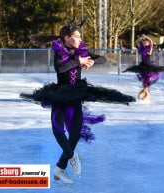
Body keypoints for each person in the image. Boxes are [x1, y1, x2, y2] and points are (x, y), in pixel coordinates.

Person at [20, 18, 135, 184]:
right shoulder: (59, 51)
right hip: (60, 95)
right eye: (77, 36)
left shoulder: (82, 50)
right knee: (58, 130)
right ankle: (71, 156)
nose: (80, 39)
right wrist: (78, 62)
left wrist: (93, 61)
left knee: (75, 134)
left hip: (76, 95)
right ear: (67, 38)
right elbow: (60, 68)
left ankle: (60, 168)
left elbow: (103, 58)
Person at [123, 34, 164, 101]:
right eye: (144, 42)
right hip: (143, 66)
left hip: (149, 67)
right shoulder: (141, 48)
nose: (145, 42)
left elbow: (151, 42)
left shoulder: (149, 49)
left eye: (146, 42)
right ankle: (145, 95)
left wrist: (146, 37)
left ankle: (145, 96)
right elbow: (137, 42)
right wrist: (141, 38)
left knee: (147, 83)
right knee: (144, 83)